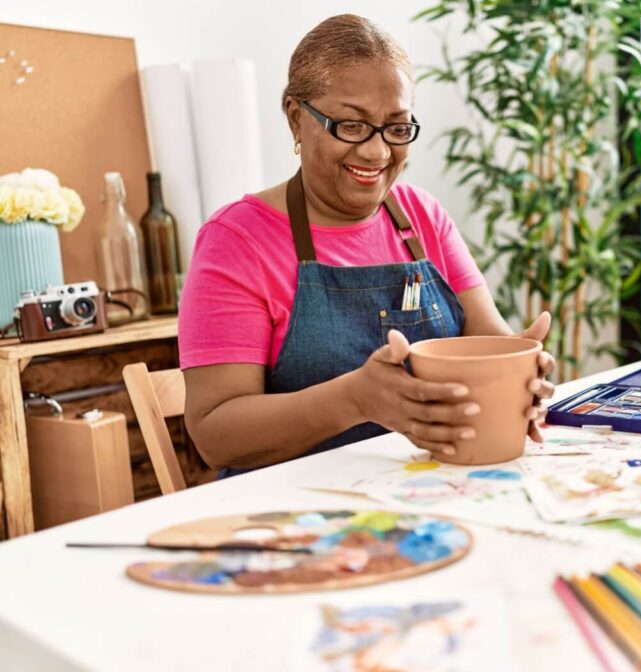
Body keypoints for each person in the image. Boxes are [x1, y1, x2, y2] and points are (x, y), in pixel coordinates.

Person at [178, 14, 555, 474]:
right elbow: (215, 435)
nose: (377, 152)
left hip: (427, 492)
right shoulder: (237, 241)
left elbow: (490, 343)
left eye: (396, 128)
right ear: (297, 118)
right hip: (294, 514)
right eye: (352, 126)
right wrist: (355, 399)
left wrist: (520, 374)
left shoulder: (422, 217)